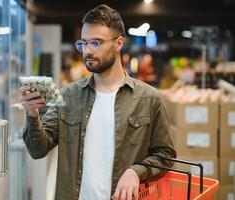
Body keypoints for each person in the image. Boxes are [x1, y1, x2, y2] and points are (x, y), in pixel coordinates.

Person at [20, 4, 176, 200]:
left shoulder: (149, 98)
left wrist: (137, 171)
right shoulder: (69, 96)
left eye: (96, 43)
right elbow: (38, 150)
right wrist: (32, 114)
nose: (87, 51)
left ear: (118, 43)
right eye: (83, 43)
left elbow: (165, 155)